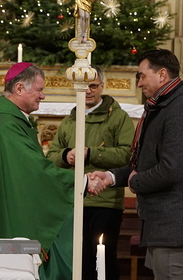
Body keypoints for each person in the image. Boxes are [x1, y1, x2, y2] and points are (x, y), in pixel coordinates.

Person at [0, 62, 106, 280]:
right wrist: (83, 181)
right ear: (20, 89)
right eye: (39, 90)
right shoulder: (7, 125)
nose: (43, 96)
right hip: (13, 215)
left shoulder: (11, 120)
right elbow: (35, 173)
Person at [90, 49, 183, 280]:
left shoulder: (177, 108)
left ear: (161, 75)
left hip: (173, 228)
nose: (139, 83)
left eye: (142, 76)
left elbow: (171, 169)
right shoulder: (163, 104)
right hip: (161, 225)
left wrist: (136, 181)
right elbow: (145, 161)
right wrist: (111, 177)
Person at [46, 65, 135, 280]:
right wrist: (67, 155)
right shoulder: (69, 121)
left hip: (104, 202)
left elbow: (129, 155)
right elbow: (51, 157)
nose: (88, 91)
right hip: (73, 201)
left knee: (102, 260)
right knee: (75, 259)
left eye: (93, 86)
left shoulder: (119, 118)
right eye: (84, 86)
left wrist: (91, 153)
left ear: (102, 87)